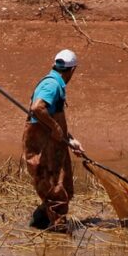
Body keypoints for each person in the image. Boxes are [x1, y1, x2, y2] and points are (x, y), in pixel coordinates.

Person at [23, 49, 85, 232]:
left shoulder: (54, 83)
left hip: (53, 144)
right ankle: (56, 232)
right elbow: (38, 108)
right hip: (43, 145)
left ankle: (40, 222)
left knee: (63, 186)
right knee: (55, 189)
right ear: (72, 70)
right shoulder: (52, 85)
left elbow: (52, 117)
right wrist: (56, 129)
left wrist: (71, 140)